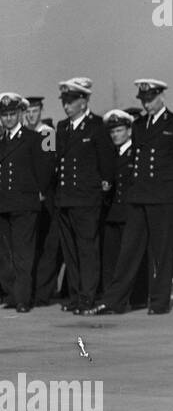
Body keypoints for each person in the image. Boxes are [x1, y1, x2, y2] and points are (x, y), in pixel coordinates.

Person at [95, 80, 173, 315]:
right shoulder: (138, 126)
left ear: (161, 97)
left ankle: (159, 302)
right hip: (139, 196)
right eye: (143, 100)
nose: (147, 104)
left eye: (150, 99)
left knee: (163, 252)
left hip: (164, 196)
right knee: (129, 250)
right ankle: (114, 300)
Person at [51, 78, 114, 315]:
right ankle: (76, 295)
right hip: (66, 198)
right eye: (64, 101)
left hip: (87, 199)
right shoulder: (62, 127)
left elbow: (106, 164)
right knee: (71, 252)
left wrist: (102, 188)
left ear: (84, 100)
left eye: (71, 101)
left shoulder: (97, 126)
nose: (66, 106)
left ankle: (88, 296)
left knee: (87, 250)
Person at [0, 94, 54, 312]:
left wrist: (37, 192)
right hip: (3, 204)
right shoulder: (1, 142)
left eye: (12, 114)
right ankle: (12, 294)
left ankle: (23, 298)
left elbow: (45, 169)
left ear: (20, 114)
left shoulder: (35, 138)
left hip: (25, 203)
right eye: (4, 115)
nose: (9, 119)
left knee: (24, 253)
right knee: (6, 253)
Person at [96, 109, 148, 313]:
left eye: (119, 130)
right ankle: (112, 299)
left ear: (129, 130)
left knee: (131, 258)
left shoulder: (135, 153)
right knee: (111, 259)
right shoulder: (112, 154)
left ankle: (136, 298)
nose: (115, 135)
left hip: (130, 213)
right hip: (114, 213)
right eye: (112, 132)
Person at [25, 94, 65, 307]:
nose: (31, 116)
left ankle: (43, 292)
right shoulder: (23, 135)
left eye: (35, 111)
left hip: (45, 195)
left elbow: (49, 164)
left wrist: (40, 189)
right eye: (28, 112)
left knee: (48, 246)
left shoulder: (47, 133)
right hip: (26, 196)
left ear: (40, 111)